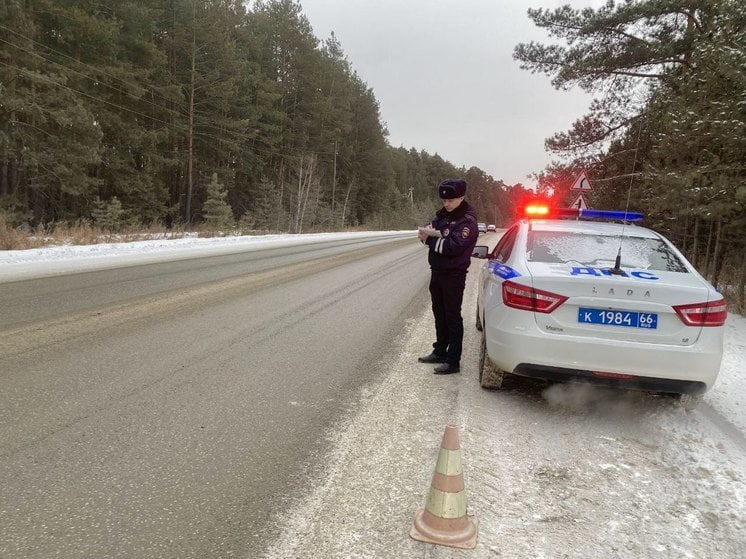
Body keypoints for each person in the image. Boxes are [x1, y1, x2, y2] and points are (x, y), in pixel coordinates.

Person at [417, 178, 479, 374]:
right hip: (437, 272)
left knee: (452, 317)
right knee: (439, 313)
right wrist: (426, 235)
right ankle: (440, 351)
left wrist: (429, 241)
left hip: (454, 275)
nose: (446, 204)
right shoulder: (442, 216)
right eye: (444, 201)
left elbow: (452, 247)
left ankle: (453, 361)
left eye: (450, 200)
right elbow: (431, 231)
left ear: (461, 197)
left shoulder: (467, 222)